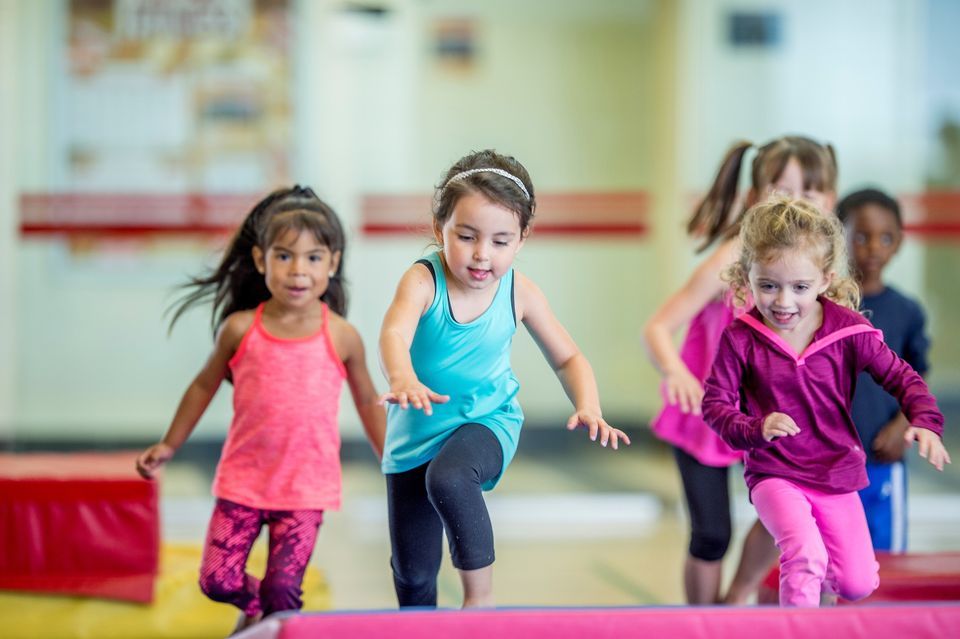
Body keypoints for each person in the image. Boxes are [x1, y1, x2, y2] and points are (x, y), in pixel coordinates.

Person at [378, 149, 630, 609]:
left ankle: (481, 602)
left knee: (451, 478)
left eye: (499, 241)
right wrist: (403, 376)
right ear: (440, 230)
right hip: (414, 435)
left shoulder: (520, 290)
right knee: (413, 577)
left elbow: (568, 357)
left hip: (487, 422)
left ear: (521, 240)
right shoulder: (422, 281)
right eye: (467, 236)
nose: (481, 254)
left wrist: (588, 404)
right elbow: (394, 330)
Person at [136, 186, 385, 634]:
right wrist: (169, 443)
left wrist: (392, 456)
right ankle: (260, 611)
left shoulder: (342, 336)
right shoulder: (240, 328)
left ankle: (274, 620)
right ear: (259, 259)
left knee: (284, 589)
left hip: (305, 488)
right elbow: (202, 385)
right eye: (284, 256)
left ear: (333, 262)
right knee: (217, 579)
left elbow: (367, 399)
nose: (298, 271)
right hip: (244, 482)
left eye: (313, 258)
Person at [702, 196, 948, 608]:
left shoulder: (849, 330)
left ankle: (824, 612)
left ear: (825, 280)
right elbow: (715, 405)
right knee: (805, 557)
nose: (783, 302)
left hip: (836, 474)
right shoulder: (741, 338)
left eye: (799, 287)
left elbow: (902, 375)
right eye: (768, 285)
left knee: (855, 582)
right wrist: (754, 429)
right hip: (775, 473)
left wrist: (924, 420)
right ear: (748, 277)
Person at [642, 135, 838, 604]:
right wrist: (677, 372)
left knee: (788, 512)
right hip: (709, 413)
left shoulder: (818, 269)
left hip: (770, 418)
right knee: (712, 534)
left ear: (829, 200)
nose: (794, 203)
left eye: (808, 193)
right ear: (754, 197)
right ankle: (705, 622)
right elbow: (657, 326)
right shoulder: (732, 260)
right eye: (780, 190)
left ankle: (734, 605)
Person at [838, 188, 930, 553]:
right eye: (861, 236)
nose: (873, 247)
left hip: (883, 459)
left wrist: (902, 427)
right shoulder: (823, 306)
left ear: (899, 243)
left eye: (885, 237)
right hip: (831, 464)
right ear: (838, 236)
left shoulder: (907, 312)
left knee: (885, 558)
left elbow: (918, 382)